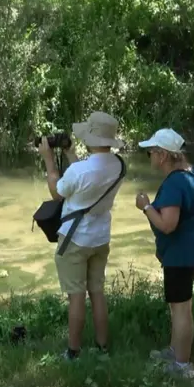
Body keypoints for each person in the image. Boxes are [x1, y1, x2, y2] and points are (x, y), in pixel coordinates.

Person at [38, 111, 126, 360]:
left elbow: (58, 191)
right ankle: (102, 347)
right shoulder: (119, 165)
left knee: (76, 295)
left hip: (75, 239)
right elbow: (86, 174)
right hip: (100, 238)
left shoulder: (81, 171)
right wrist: (69, 154)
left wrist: (48, 160)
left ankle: (73, 352)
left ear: (90, 139)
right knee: (97, 292)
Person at [135, 128, 194, 378]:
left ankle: (182, 365)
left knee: (181, 308)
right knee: (180, 304)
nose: (149, 156)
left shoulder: (174, 183)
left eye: (151, 152)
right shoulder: (193, 173)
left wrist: (146, 206)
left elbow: (167, 225)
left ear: (162, 155)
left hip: (182, 254)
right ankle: (175, 350)